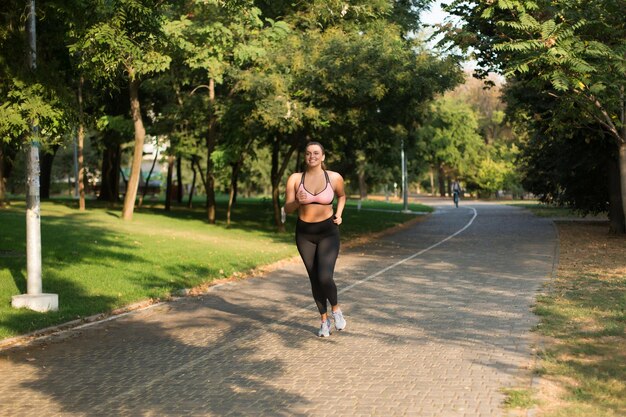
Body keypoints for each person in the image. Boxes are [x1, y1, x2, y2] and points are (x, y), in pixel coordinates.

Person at [283, 141, 347, 337]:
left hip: (328, 231)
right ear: (305, 156)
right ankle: (323, 321)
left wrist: (339, 213)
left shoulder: (334, 177)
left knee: (325, 277)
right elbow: (287, 208)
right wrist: (297, 201)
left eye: (316, 153)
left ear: (323, 156)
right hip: (304, 234)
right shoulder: (295, 179)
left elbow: (342, 196)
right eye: (308, 153)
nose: (312, 156)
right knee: (314, 279)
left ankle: (336, 310)